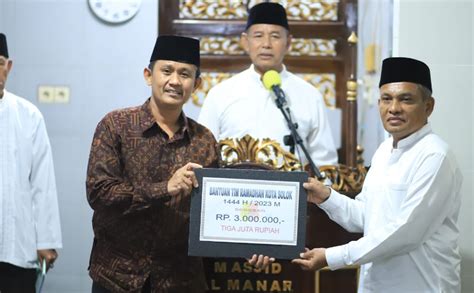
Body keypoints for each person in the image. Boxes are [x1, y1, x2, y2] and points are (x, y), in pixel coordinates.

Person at [251, 57, 463, 292]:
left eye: (406, 99)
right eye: (386, 99)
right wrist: (326, 197)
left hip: (421, 285)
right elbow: (366, 217)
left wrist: (331, 256)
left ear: (428, 106)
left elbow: (404, 233)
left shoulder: (434, 156)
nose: (394, 108)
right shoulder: (385, 150)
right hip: (376, 285)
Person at [86, 35, 219, 293]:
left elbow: (214, 212)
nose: (175, 81)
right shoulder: (116, 126)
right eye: (166, 71)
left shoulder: (205, 141)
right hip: (118, 278)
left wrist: (247, 246)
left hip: (181, 281)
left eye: (185, 74)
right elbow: (99, 193)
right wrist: (165, 188)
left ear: (197, 84)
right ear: (149, 75)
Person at [198, 2, 338, 167]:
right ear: (245, 41)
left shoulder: (309, 95)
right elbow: (203, 154)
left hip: (292, 191)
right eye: (258, 35)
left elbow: (325, 163)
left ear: (288, 42)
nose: (266, 44)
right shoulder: (220, 94)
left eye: (275, 36)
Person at [0, 33, 62, 293]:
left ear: (8, 67)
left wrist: (45, 240)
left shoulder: (27, 114)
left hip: (16, 243)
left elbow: (42, 182)